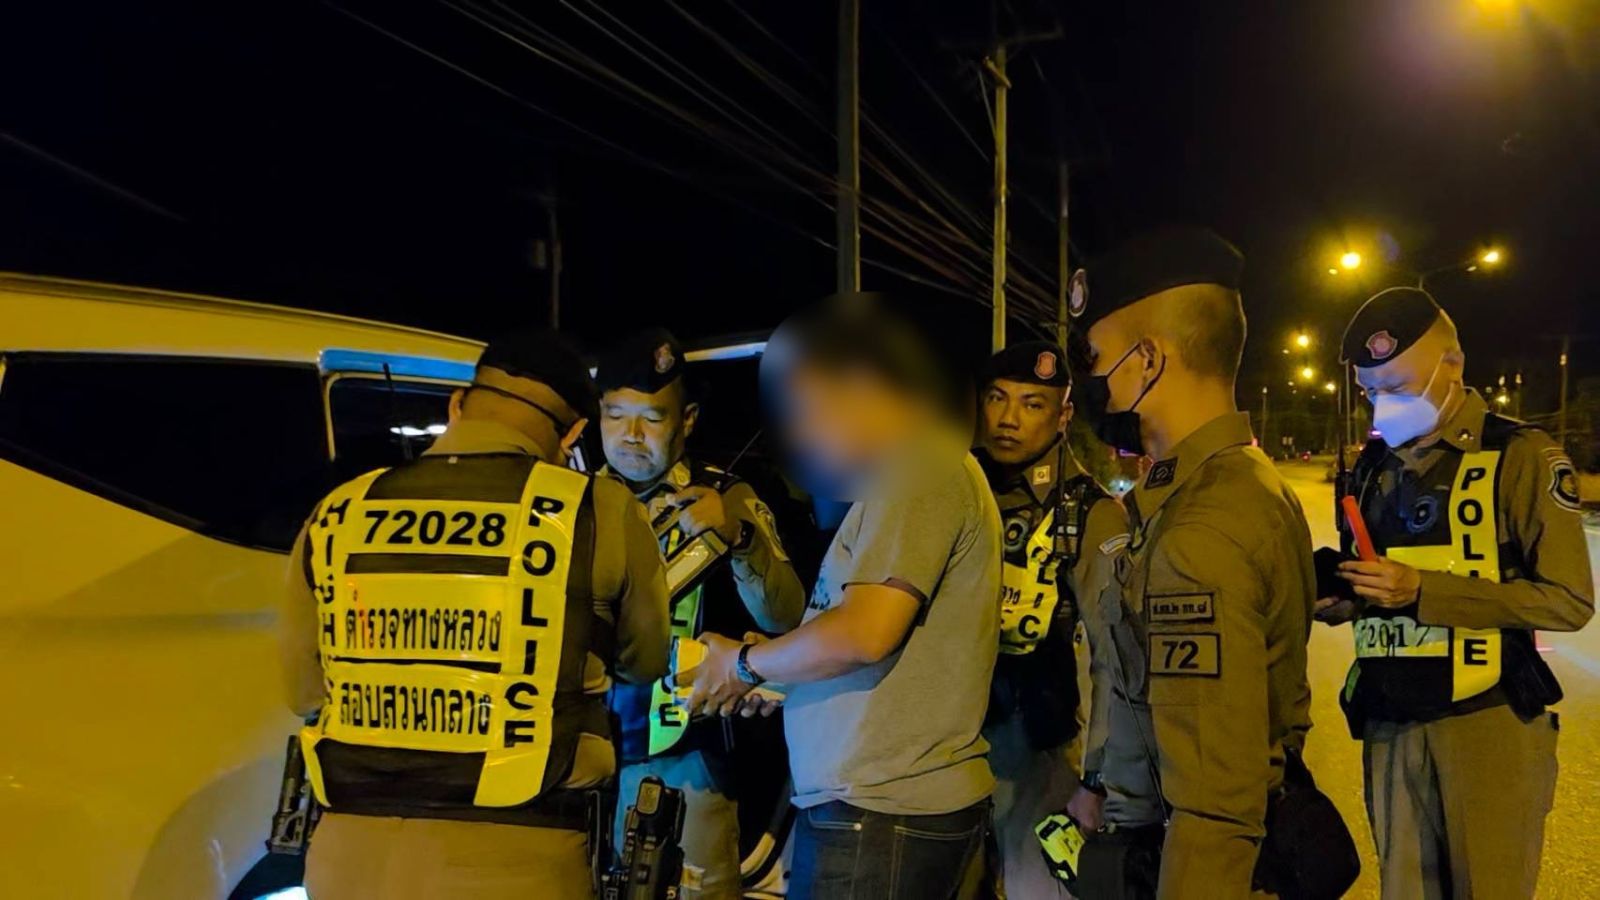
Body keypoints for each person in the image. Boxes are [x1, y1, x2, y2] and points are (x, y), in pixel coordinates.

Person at [278, 332, 671, 900]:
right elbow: (644, 661)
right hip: (520, 859)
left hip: (348, 858)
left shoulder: (339, 511)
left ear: (458, 404)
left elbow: (303, 692)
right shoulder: (596, 509)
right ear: (573, 434)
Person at [683, 295, 1002, 900]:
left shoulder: (919, 464)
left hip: (882, 811)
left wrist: (744, 664)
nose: (802, 434)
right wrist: (782, 679)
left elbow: (865, 632)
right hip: (875, 809)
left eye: (810, 410)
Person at [1320, 286, 1593, 899]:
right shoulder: (1372, 467)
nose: (1383, 404)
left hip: (1485, 722)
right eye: (1370, 392)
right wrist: (1346, 597)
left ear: (1452, 365)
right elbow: (1376, 579)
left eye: (1397, 385)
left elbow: (1569, 599)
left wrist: (1426, 592)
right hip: (1391, 721)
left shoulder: (1520, 455)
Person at [1073, 227, 1316, 898]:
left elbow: (1214, 810)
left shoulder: (1202, 526)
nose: (1088, 384)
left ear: (1147, 360)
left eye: (1095, 359)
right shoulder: (1242, 484)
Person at [595, 327, 806, 900]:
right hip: (583, 752)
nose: (630, 436)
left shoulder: (725, 494)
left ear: (686, 421)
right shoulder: (570, 497)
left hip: (687, 755)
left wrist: (738, 538)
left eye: (651, 418)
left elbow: (787, 616)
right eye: (616, 416)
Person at [974, 341, 1130, 897]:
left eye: (1032, 404)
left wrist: (1096, 779)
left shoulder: (1089, 511)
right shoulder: (956, 490)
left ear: (1063, 416)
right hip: (944, 751)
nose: (1008, 419)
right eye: (997, 398)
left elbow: (1114, 657)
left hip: (1037, 750)